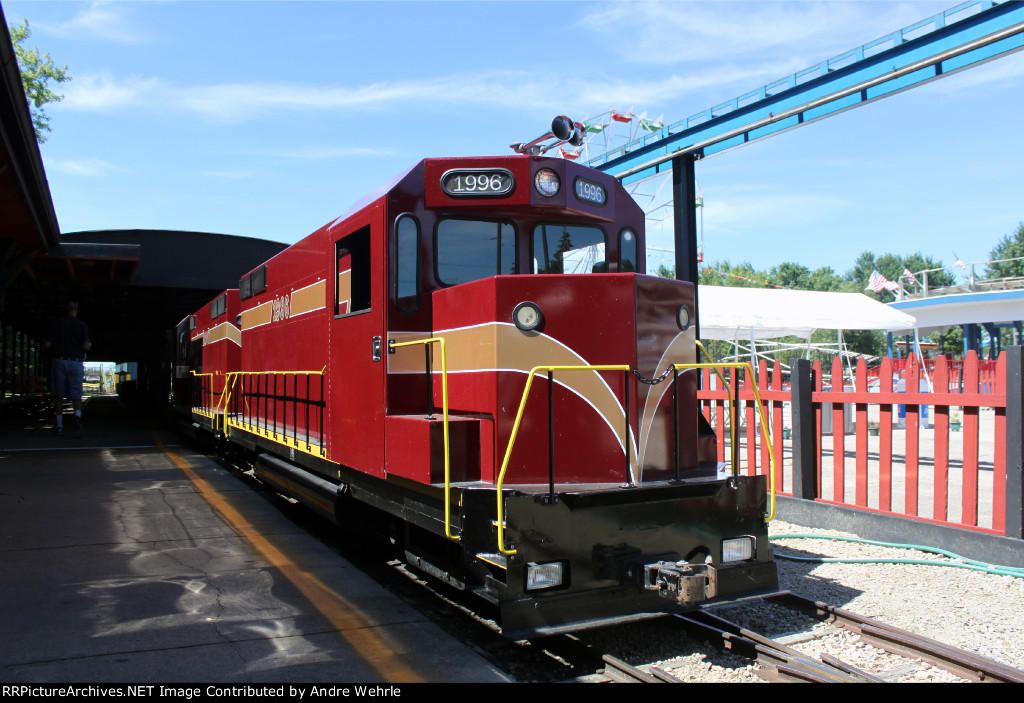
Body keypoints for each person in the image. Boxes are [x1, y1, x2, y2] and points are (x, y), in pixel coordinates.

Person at [46, 301, 91, 437]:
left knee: (59, 396)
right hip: (76, 362)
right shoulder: (82, 325)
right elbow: (86, 346)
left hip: (59, 361)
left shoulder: (56, 324)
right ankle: (77, 419)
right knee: (76, 395)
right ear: (75, 310)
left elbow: (47, 344)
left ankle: (59, 426)